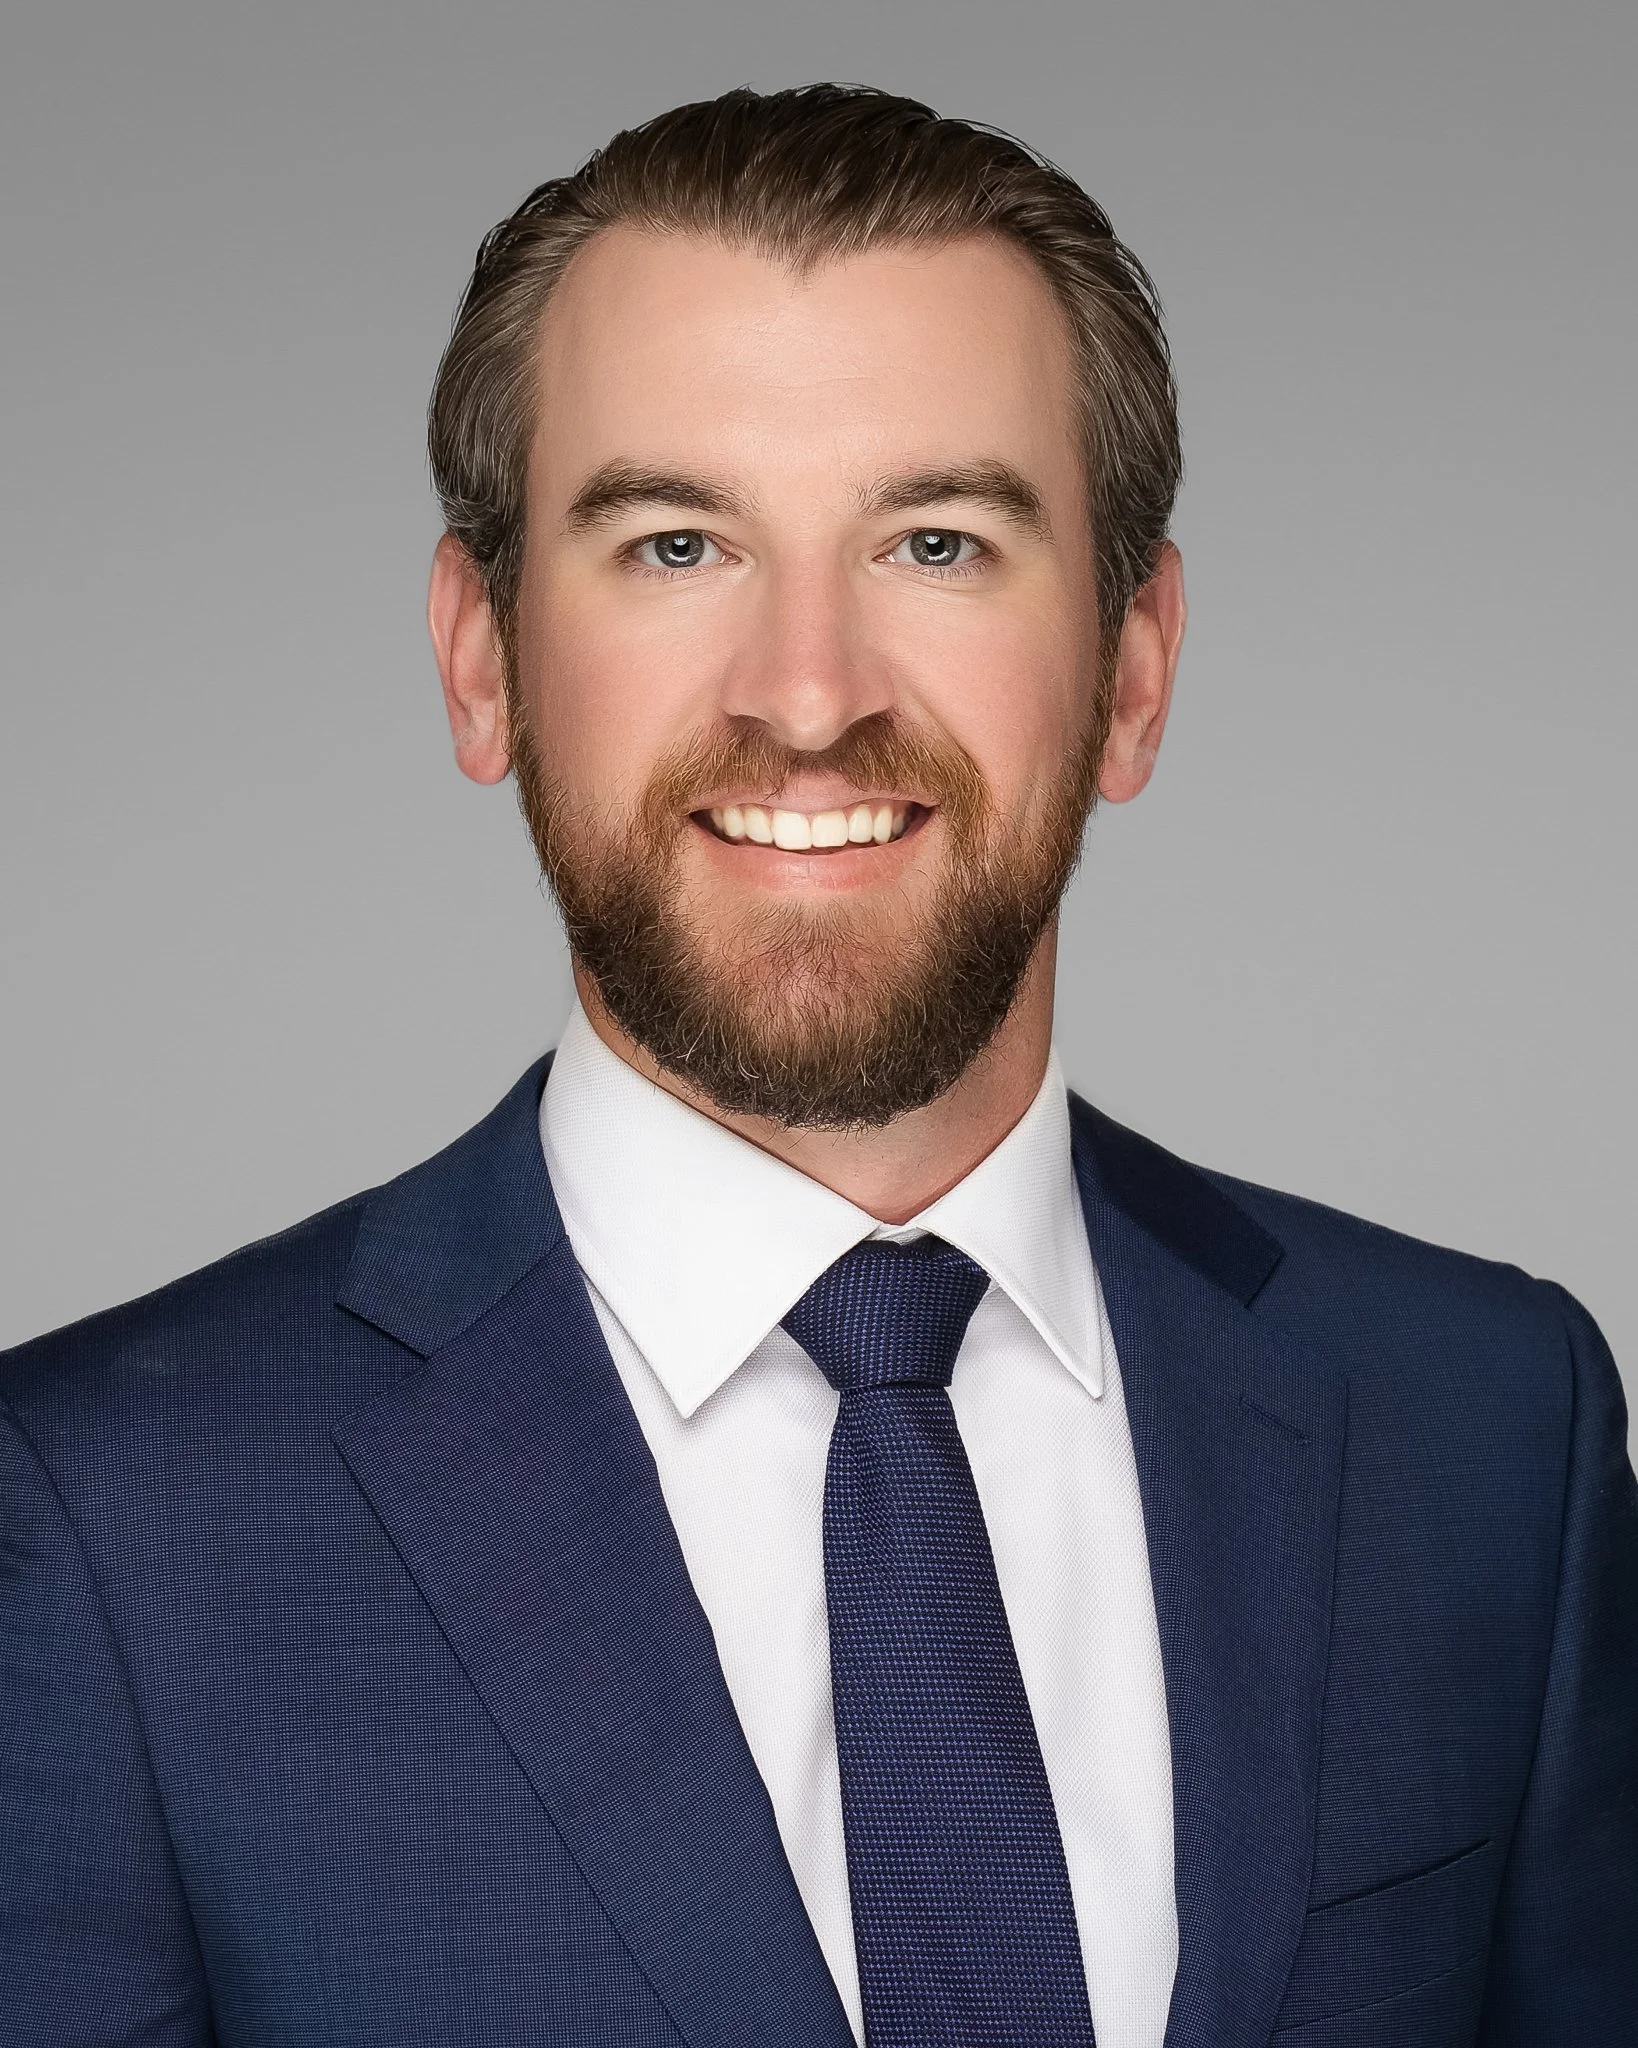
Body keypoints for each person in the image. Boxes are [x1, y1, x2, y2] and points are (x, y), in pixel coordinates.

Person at [1, 82, 1633, 2048]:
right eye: (677, 542)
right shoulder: (104, 1522)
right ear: (482, 660)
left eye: (937, 541)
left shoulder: (1490, 1429)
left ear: (1134, 671)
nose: (806, 691)